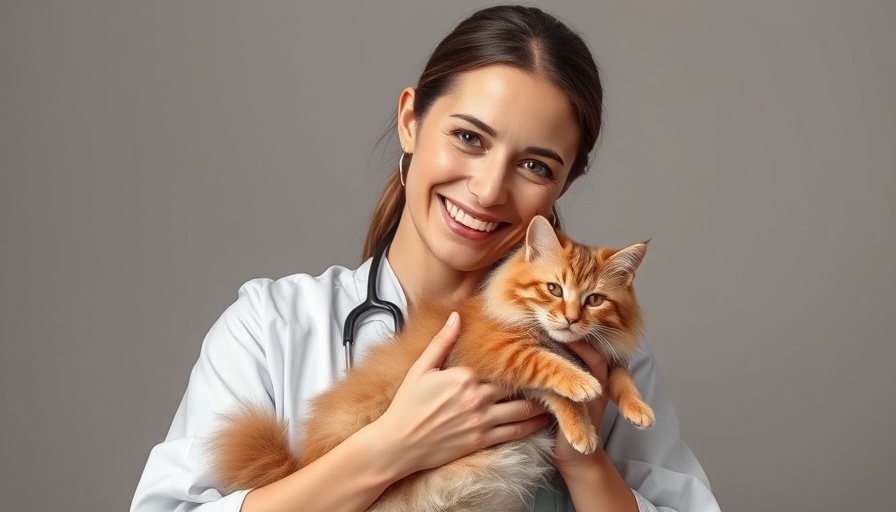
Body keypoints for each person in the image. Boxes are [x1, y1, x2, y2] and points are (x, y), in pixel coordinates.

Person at [131, 5, 720, 511]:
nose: (489, 190)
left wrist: (585, 464)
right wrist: (388, 448)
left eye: (536, 165)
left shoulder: (601, 356)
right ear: (411, 121)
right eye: (469, 137)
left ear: (561, 186)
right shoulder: (273, 325)